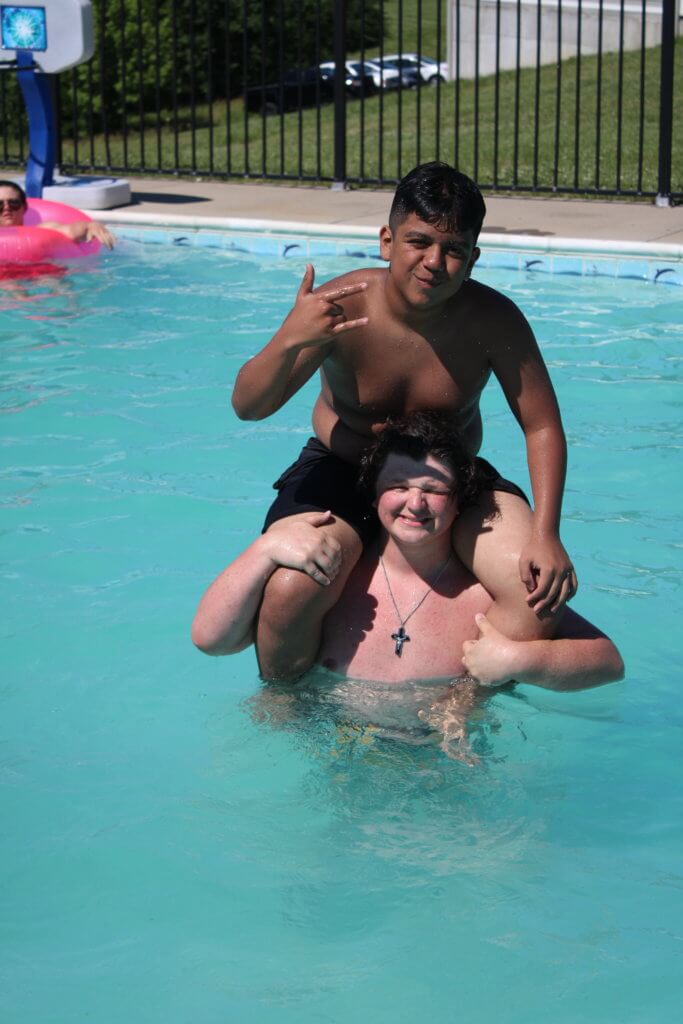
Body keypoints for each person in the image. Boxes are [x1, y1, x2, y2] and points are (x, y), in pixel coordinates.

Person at [232, 162, 575, 681]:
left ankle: (461, 702)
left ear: (473, 258)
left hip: (447, 478)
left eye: (453, 249)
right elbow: (249, 407)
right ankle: (288, 710)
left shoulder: (494, 320)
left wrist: (547, 533)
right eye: (418, 241)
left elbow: (542, 426)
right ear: (387, 241)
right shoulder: (340, 306)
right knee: (290, 589)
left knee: (538, 594)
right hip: (343, 467)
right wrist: (289, 340)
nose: (434, 261)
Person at [192, 413, 623, 697]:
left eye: (434, 490)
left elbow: (608, 662)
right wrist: (265, 549)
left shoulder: (485, 597)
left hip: (445, 765)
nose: (414, 504)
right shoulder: (333, 580)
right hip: (332, 756)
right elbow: (212, 639)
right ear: (374, 494)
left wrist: (521, 660)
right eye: (398, 487)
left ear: (460, 502)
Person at [0, 180, 114, 249]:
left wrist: (90, 226)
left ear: (24, 208)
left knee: (50, 278)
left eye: (13, 203)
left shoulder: (41, 230)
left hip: (40, 271)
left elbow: (71, 230)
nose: (6, 208)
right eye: (0, 204)